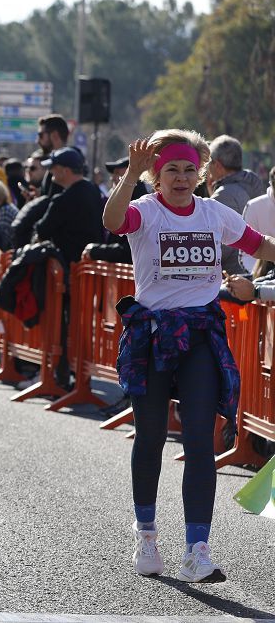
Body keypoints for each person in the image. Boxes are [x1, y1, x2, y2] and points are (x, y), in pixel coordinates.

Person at [103, 130, 275, 583]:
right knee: (152, 436)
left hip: (200, 333)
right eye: (169, 171)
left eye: (186, 170)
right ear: (157, 177)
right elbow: (112, 219)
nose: (179, 178)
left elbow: (260, 246)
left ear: (200, 174)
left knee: (201, 439)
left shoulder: (214, 212)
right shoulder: (145, 211)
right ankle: (145, 535)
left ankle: (198, 549)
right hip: (153, 335)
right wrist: (130, 177)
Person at [207, 135, 265, 274]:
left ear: (218, 165)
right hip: (258, 270)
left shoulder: (223, 194)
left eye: (210, 163)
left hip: (234, 278)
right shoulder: (255, 184)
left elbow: (219, 248)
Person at [239, 166, 275, 273]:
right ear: (271, 184)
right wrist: (260, 274)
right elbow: (245, 253)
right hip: (262, 276)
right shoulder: (254, 206)